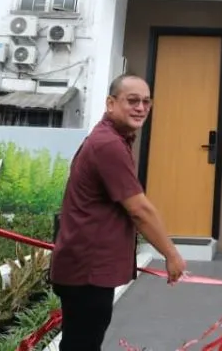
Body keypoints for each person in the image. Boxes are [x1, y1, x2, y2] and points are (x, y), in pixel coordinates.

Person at [51, 73, 187, 350]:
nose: (141, 108)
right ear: (111, 103)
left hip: (84, 267)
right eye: (132, 100)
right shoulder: (109, 145)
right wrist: (171, 254)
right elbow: (139, 210)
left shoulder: (111, 139)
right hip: (88, 270)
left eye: (146, 102)